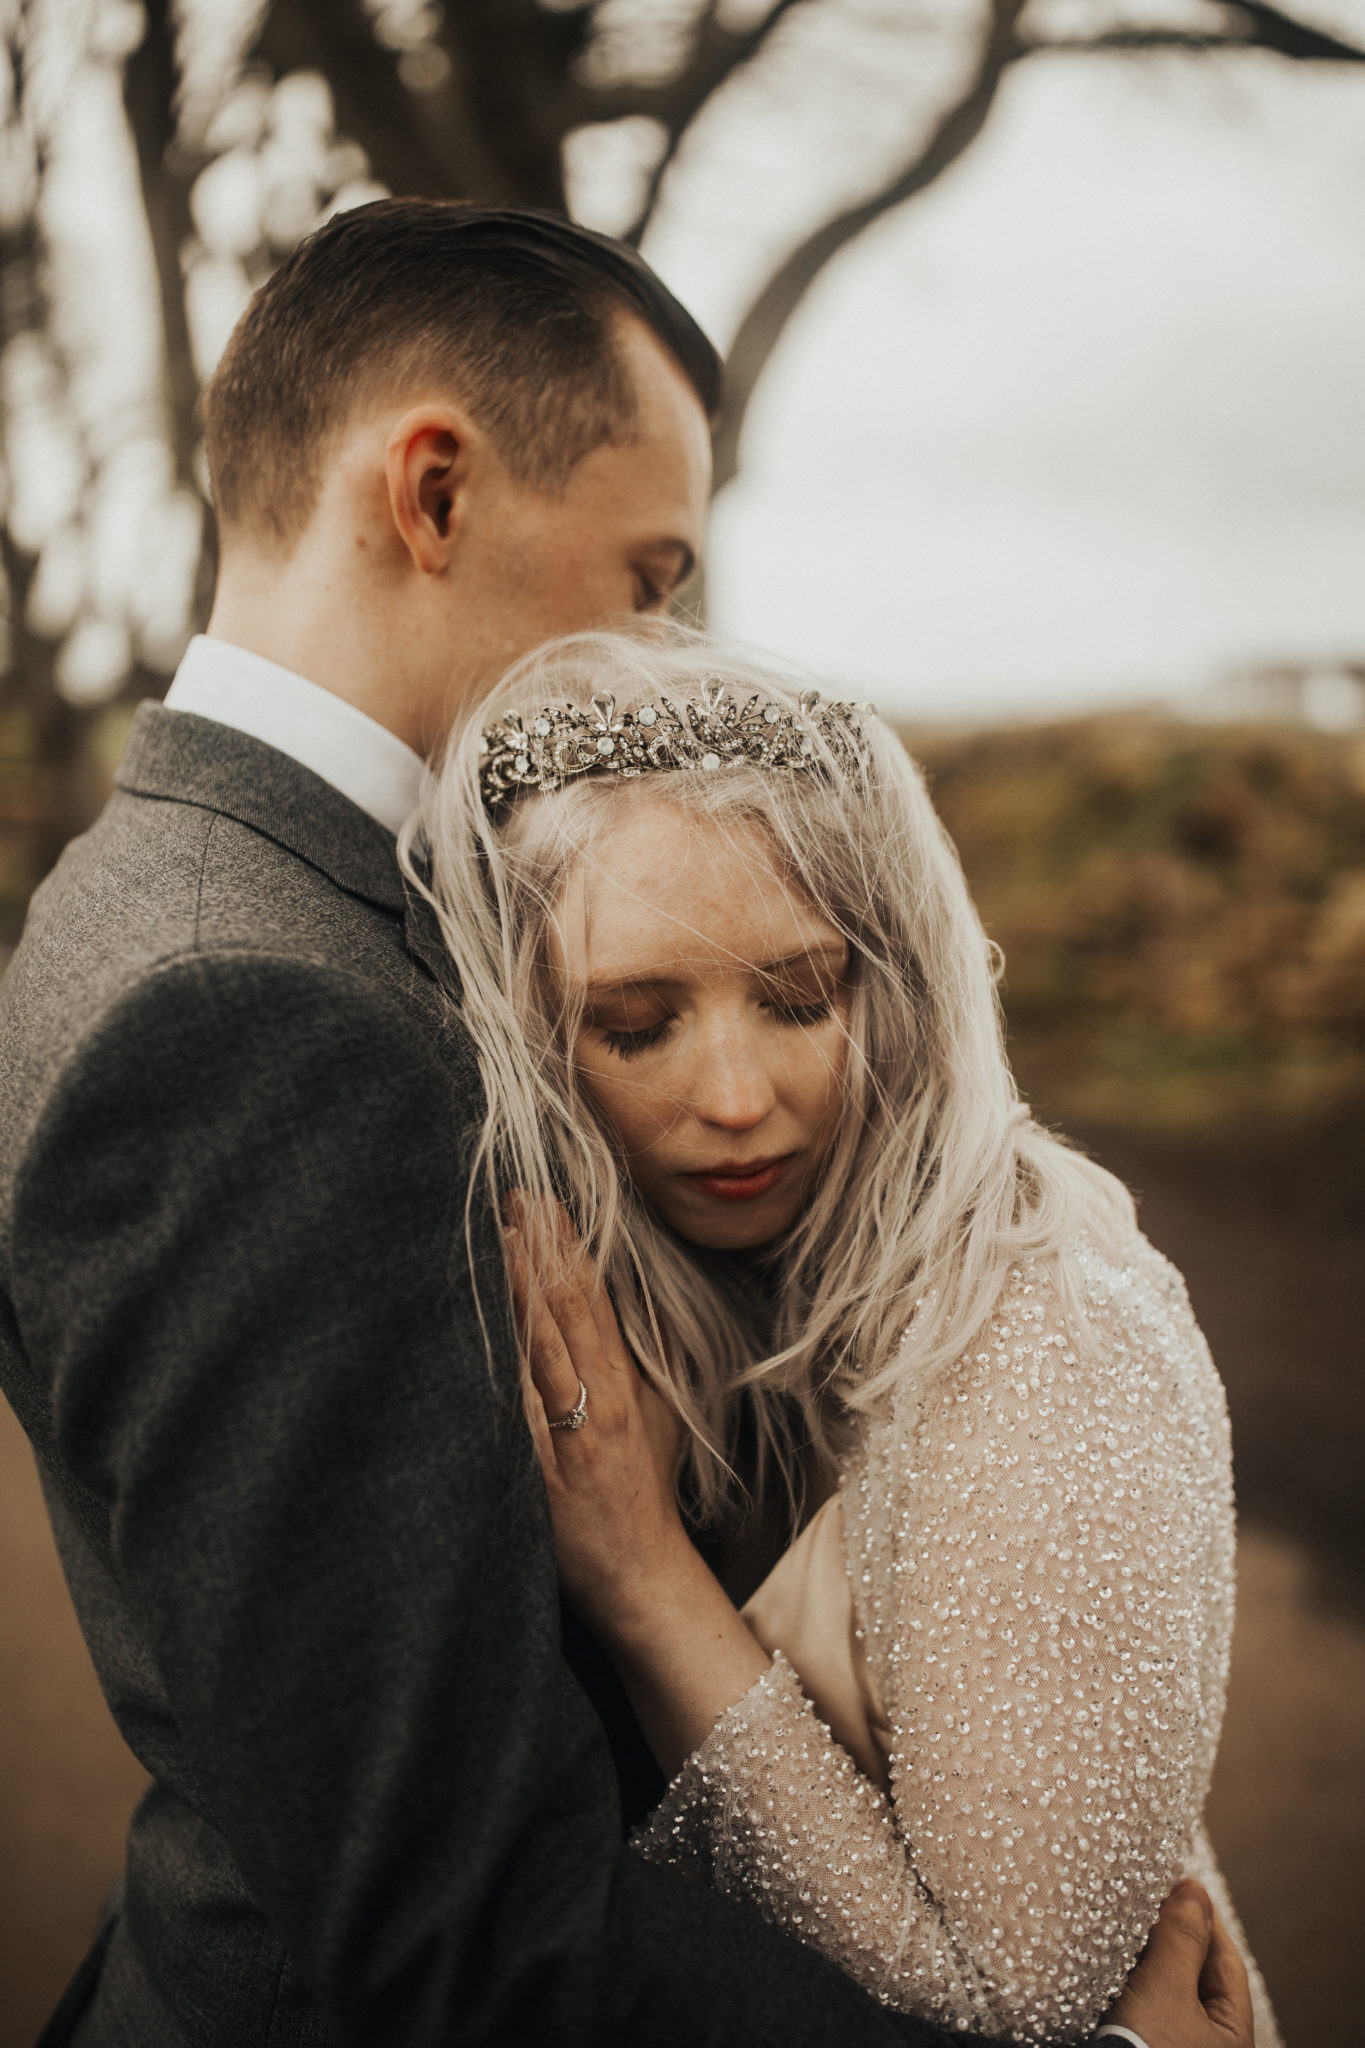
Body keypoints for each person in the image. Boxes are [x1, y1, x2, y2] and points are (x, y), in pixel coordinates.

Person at [0, 197, 1253, 2048]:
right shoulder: (246, 1002)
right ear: (432, 495)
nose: (664, 651)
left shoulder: (173, 893)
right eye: (652, 572)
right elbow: (459, 1932)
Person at [409, 625, 1280, 2047]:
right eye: (636, 1027)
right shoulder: (662, 1293)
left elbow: (1017, 2014)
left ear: (901, 983)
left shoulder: (1044, 1334)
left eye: (802, 998)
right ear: (527, 1041)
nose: (737, 1096)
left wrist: (639, 1582)